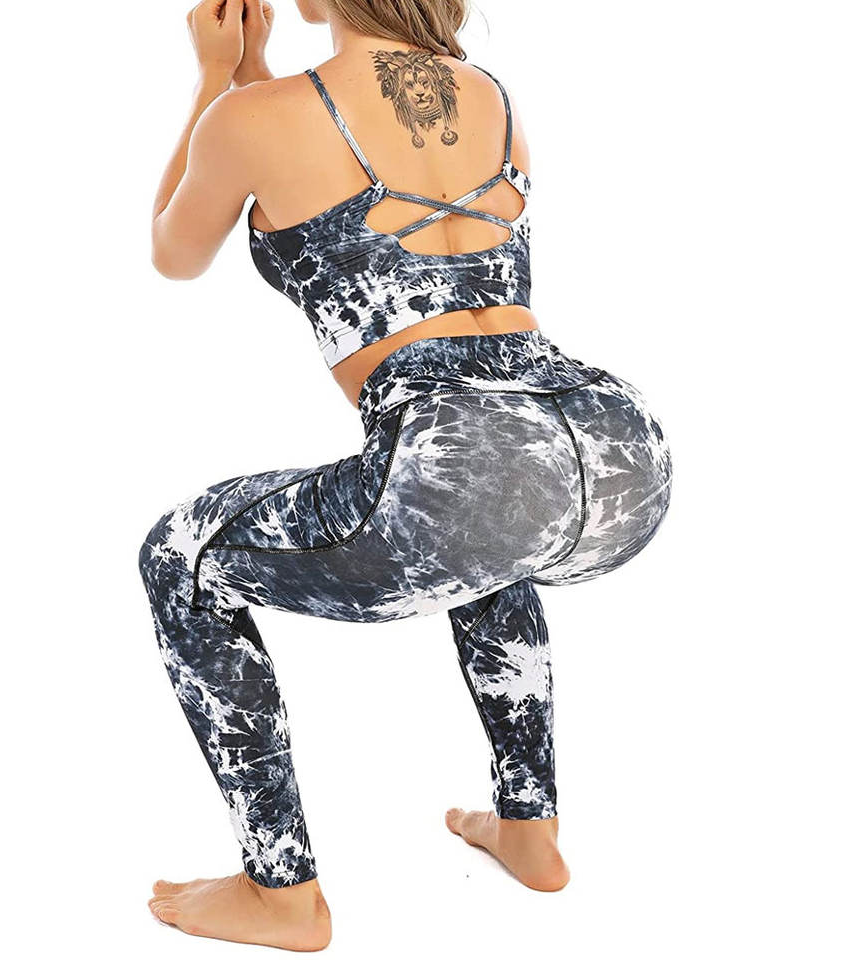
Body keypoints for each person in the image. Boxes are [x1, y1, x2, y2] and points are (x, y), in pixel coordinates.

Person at [139, 0, 672, 949]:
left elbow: (175, 253)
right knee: (491, 537)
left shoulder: (249, 117)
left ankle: (281, 894)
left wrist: (216, 76)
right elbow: (308, 156)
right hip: (615, 447)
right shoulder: (488, 97)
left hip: (467, 459)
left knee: (178, 557)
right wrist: (251, 76)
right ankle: (529, 829)